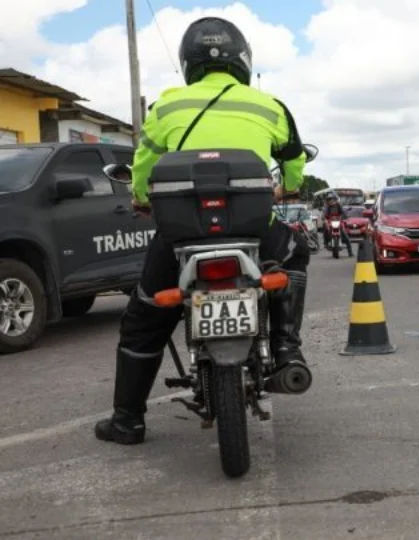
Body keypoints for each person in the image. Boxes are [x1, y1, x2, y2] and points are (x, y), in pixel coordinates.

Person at [94, 16, 312, 445]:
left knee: (144, 319)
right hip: (254, 231)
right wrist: (289, 187)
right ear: (242, 60)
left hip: (180, 238)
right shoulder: (269, 106)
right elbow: (293, 162)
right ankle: (286, 347)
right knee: (295, 252)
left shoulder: (168, 105)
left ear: (188, 63)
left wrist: (141, 197)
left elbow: (144, 166)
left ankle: (127, 421)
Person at [321, 193, 353, 257]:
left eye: (332, 199)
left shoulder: (339, 205)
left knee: (347, 238)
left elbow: (343, 212)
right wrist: (325, 219)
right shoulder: (327, 206)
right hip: (330, 222)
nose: (331, 201)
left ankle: (350, 253)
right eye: (329, 199)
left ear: (335, 199)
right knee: (324, 226)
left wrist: (343, 216)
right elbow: (324, 215)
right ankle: (325, 242)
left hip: (339, 221)